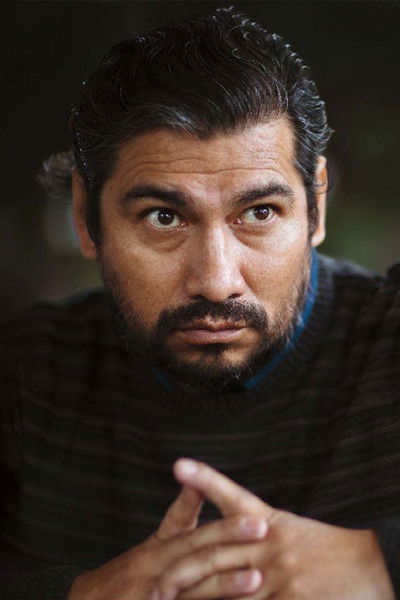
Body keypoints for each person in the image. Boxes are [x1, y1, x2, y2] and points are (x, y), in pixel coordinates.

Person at [1, 6, 399, 599]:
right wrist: (80, 594)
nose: (216, 281)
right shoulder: (22, 375)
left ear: (315, 206)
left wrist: (377, 562)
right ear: (86, 216)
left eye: (259, 212)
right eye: (163, 218)